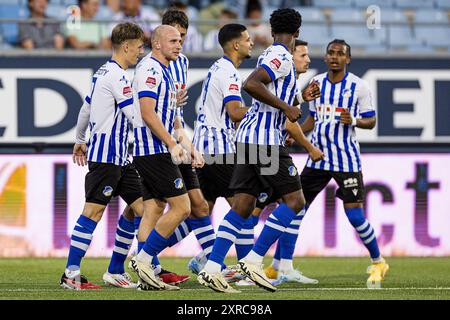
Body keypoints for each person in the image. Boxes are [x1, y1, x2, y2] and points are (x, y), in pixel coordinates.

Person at [196, 8, 320, 293]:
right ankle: (252, 261)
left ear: (271, 29)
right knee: (295, 200)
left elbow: (267, 93)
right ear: (297, 32)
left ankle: (213, 268)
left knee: (242, 206)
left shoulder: (272, 54)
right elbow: (251, 84)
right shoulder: (280, 56)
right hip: (264, 141)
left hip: (249, 138)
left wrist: (299, 97)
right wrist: (287, 107)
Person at [269, 39, 389, 289]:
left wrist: (354, 120)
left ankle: (378, 261)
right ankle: (279, 264)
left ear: (348, 59)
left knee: (355, 215)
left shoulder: (359, 86)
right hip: (319, 159)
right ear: (325, 57)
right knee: (295, 209)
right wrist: (296, 133)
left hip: (346, 160)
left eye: (340, 54)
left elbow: (371, 121)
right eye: (331, 53)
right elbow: (313, 118)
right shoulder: (317, 84)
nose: (334, 57)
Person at [130, 9, 214, 287]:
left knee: (154, 208)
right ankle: (143, 260)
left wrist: (185, 144)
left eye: (181, 41)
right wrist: (171, 144)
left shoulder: (167, 69)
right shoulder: (150, 69)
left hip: (162, 148)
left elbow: (171, 114)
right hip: (152, 150)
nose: (180, 45)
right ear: (157, 43)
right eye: (174, 41)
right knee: (183, 207)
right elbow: (148, 113)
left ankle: (148, 271)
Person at [59, 22, 145, 290]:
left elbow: (86, 108)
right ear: (126, 46)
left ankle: (116, 269)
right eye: (139, 47)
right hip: (107, 157)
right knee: (93, 212)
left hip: (120, 159)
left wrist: (79, 139)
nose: (140, 53)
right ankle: (71, 273)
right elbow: (135, 116)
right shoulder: (118, 77)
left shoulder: (102, 73)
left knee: (141, 208)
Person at [187, 23, 254, 278]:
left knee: (199, 210)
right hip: (219, 150)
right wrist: (268, 110)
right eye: (247, 40)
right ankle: (247, 269)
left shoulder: (218, 67)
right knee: (243, 206)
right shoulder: (229, 73)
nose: (251, 43)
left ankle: (148, 256)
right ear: (236, 44)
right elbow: (236, 113)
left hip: (205, 149)